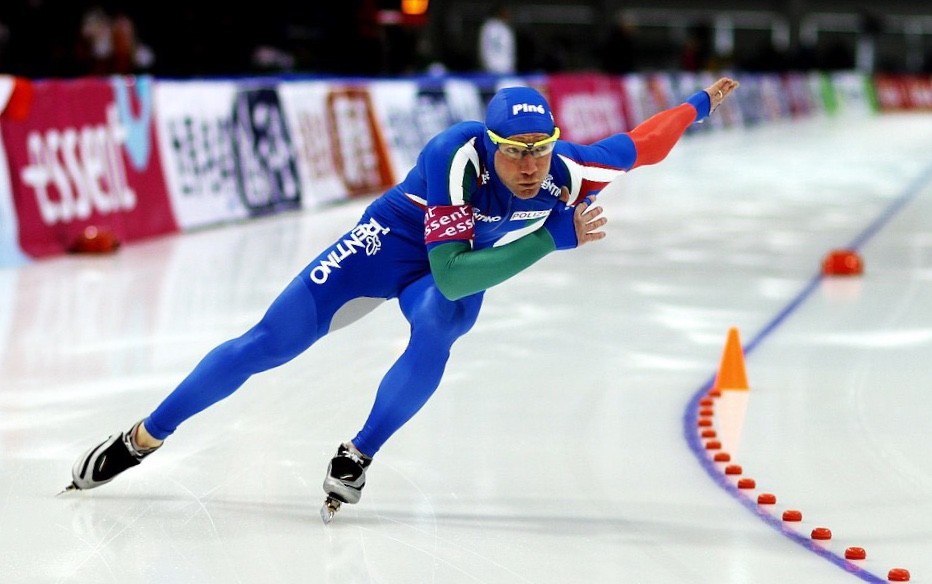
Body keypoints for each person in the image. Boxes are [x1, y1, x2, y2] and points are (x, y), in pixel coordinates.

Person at [65, 77, 741, 523]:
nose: (532, 165)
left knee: (440, 325)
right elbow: (449, 269)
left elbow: (646, 144)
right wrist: (547, 242)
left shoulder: (570, 171)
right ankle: (142, 437)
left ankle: (357, 453)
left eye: (541, 150)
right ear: (491, 143)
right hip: (389, 244)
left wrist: (701, 102)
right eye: (516, 152)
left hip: (449, 269)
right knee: (269, 344)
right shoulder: (454, 155)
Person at [478, 2, 517, 74]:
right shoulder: (489, 27)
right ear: (500, 12)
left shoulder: (505, 28)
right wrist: (488, 65)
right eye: (506, 12)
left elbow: (509, 49)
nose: (509, 15)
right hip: (491, 67)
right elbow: (484, 47)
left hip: (506, 68)